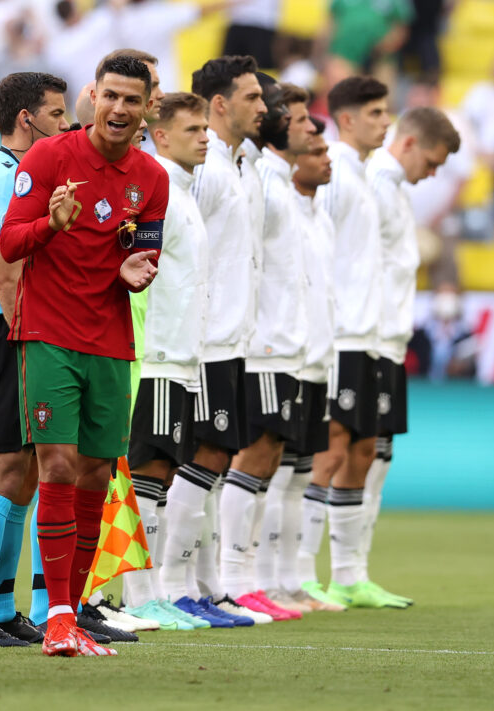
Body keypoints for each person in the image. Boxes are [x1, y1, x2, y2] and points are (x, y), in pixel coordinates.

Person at [0, 54, 167, 657]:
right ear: (93, 96)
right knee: (59, 466)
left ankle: (72, 607)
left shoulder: (153, 178)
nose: (119, 109)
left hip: (111, 339)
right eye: (110, 96)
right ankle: (60, 617)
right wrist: (51, 222)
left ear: (149, 106)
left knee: (98, 471)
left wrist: (134, 273)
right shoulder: (49, 158)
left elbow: (144, 257)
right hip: (48, 334)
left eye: (133, 99)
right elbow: (12, 243)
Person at [120, 90, 244, 630]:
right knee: (148, 472)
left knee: (164, 474)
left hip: (184, 354)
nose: (206, 137)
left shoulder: (186, 193)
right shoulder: (159, 190)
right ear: (161, 134)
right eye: (194, 129)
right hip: (159, 352)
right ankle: (137, 596)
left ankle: (159, 593)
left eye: (205, 129)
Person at [156, 55, 271, 626]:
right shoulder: (203, 172)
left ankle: (204, 585)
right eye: (252, 97)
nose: (263, 107)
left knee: (214, 459)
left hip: (230, 338)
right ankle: (171, 584)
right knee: (197, 456)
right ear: (220, 103)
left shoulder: (236, 166)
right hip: (202, 340)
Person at [0, 70, 70, 647]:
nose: (66, 122)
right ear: (28, 118)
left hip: (19, 333)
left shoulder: (19, 175)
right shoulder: (7, 178)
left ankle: (1, 607)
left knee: (25, 471)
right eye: (56, 113)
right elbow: (6, 270)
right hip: (13, 332)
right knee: (6, 467)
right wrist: (25, 346)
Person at [359, 106, 459, 605]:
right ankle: (338, 573)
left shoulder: (393, 188)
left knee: (378, 455)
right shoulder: (377, 181)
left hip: (388, 342)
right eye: (434, 161)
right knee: (346, 455)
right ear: (412, 142)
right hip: (367, 339)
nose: (434, 174)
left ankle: (355, 571)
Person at [316, 75, 395, 609]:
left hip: (367, 335)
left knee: (363, 450)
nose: (386, 121)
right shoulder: (337, 174)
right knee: (329, 450)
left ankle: (347, 574)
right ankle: (298, 573)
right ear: (346, 119)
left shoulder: (366, 176)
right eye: (375, 113)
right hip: (339, 333)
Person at [242, 83, 318, 616]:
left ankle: (259, 579)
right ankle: (235, 577)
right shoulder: (261, 180)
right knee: (250, 458)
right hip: (261, 344)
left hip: (289, 345)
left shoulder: (281, 185)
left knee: (275, 463)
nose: (312, 128)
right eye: (301, 120)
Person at [285, 117, 346, 613]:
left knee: (300, 470)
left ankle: (291, 579)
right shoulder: (280, 203)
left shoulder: (320, 214)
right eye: (318, 150)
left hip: (318, 356)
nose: (328, 159)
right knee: (257, 465)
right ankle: (242, 578)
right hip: (282, 353)